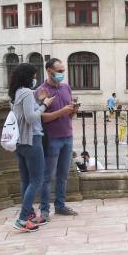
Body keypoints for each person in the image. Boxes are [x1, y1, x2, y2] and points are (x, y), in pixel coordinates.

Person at [10, 63, 55, 232]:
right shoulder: (27, 92)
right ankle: (22, 219)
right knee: (37, 179)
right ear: (28, 76)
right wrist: (45, 105)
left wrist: (39, 101)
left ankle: (28, 214)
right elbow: (31, 117)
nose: (35, 78)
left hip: (19, 141)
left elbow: (24, 112)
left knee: (26, 180)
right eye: (34, 75)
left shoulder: (16, 93)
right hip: (32, 139)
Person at [39, 59, 79, 219]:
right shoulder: (42, 91)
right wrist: (62, 111)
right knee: (48, 176)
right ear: (49, 71)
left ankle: (60, 206)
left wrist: (73, 110)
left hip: (67, 136)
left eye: (63, 70)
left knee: (63, 175)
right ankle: (44, 209)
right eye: (59, 71)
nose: (62, 74)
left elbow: (69, 113)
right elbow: (41, 118)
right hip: (52, 138)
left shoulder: (66, 87)